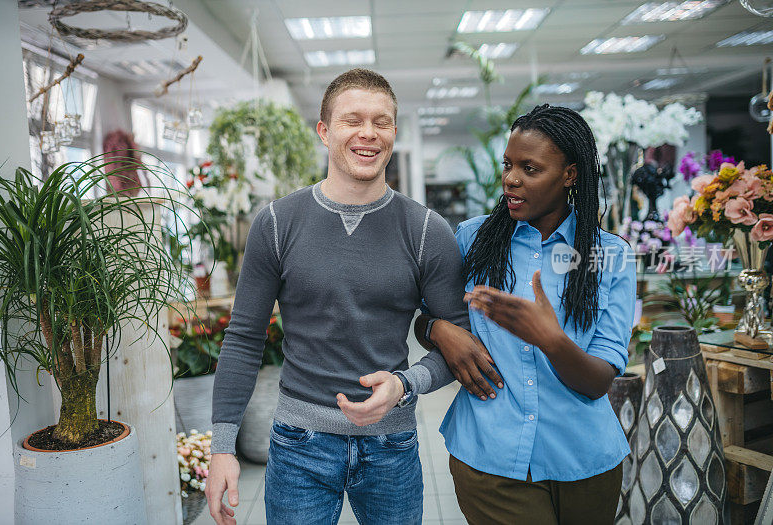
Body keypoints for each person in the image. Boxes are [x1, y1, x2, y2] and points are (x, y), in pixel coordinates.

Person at [205, 68, 500, 525]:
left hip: (391, 446)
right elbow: (243, 338)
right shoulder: (277, 223)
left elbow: (459, 343)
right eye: (352, 120)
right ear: (324, 131)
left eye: (382, 122)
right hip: (298, 445)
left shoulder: (425, 230)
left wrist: (405, 385)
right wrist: (223, 447)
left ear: (395, 133)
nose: (368, 133)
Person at [342, 104, 635, 525]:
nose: (511, 178)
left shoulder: (609, 255)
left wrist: (549, 339)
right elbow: (421, 317)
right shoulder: (473, 240)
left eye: (530, 169)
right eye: (508, 164)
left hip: (585, 461)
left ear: (570, 175)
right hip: (490, 458)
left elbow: (599, 381)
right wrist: (440, 329)